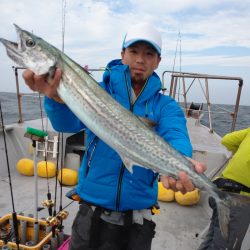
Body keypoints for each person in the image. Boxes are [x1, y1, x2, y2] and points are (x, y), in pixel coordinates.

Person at [23, 23, 206, 250]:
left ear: (158, 61)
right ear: (122, 55)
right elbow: (65, 124)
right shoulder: (96, 91)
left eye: (149, 54)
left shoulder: (166, 106)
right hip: (90, 209)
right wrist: (54, 98)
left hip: (138, 218)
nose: (140, 60)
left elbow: (176, 135)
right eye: (134, 52)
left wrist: (182, 162)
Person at [198, 128, 250, 250]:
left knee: (211, 238)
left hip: (219, 189)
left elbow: (227, 140)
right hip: (238, 200)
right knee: (224, 245)